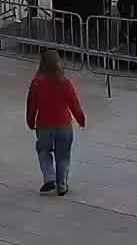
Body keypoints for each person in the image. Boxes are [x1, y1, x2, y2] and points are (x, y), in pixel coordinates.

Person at [26, 50, 86, 196]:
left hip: (44, 125)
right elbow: (74, 104)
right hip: (63, 125)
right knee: (63, 155)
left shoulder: (36, 83)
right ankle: (62, 185)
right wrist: (81, 119)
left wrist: (30, 120)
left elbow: (31, 105)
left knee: (43, 151)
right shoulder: (64, 82)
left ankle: (49, 178)